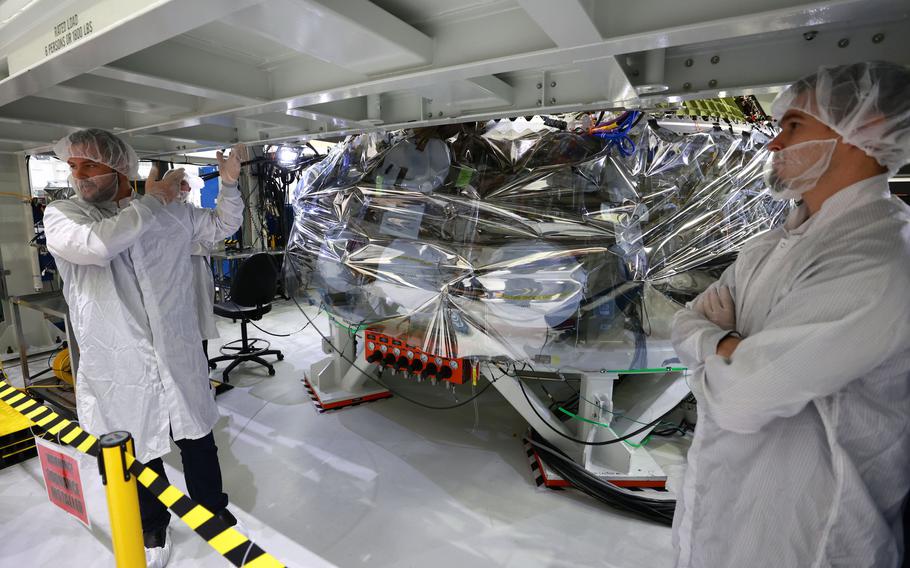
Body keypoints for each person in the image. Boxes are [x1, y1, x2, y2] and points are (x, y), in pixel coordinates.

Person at [670, 61, 910, 568]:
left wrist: (719, 347)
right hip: (724, 518)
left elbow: (739, 397)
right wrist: (729, 347)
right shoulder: (772, 245)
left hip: (809, 539)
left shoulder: (879, 258)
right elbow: (686, 321)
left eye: (793, 125)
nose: (774, 143)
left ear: (863, 130)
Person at [43, 129, 245, 568]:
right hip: (119, 361)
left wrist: (228, 185)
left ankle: (213, 510)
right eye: (73, 166)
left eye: (89, 166)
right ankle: (152, 526)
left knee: (196, 434)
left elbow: (221, 227)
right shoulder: (65, 216)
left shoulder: (170, 214)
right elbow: (100, 244)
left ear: (119, 169)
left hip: (176, 349)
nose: (79, 176)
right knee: (138, 449)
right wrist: (153, 200)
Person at [177, 173, 227, 364]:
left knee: (200, 322)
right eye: (178, 185)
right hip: (171, 280)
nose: (182, 189)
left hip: (197, 274)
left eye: (185, 185)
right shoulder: (158, 215)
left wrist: (182, 243)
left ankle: (203, 368)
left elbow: (207, 244)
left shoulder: (196, 214)